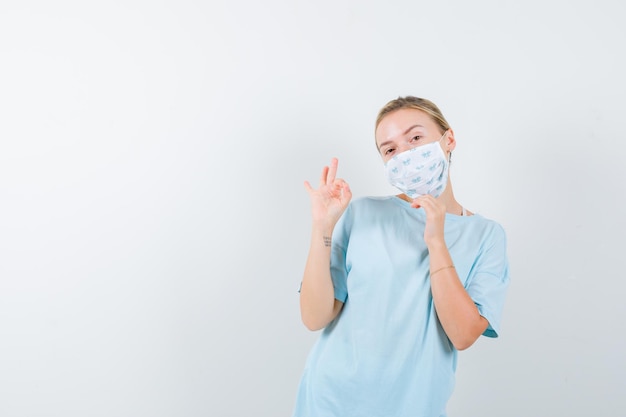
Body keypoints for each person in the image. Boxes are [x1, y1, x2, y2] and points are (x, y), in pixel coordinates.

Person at [291, 96, 510, 417]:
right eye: (390, 149)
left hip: (415, 406)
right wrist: (322, 227)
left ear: (448, 140)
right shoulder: (363, 213)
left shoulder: (487, 235)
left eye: (416, 138)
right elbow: (314, 317)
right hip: (330, 401)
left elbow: (463, 335)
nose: (405, 153)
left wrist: (436, 239)